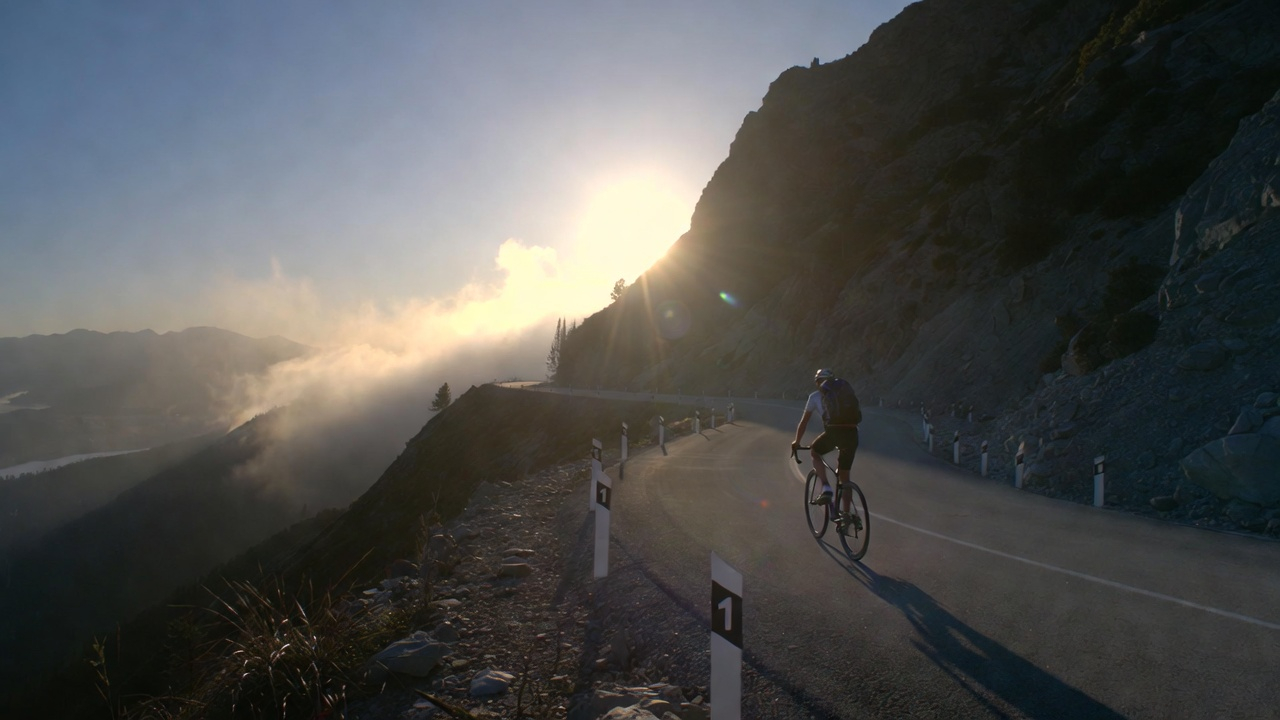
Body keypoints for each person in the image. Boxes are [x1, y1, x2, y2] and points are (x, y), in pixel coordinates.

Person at [791, 368, 860, 527]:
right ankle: (847, 515)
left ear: (817, 382)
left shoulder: (815, 397)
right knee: (844, 477)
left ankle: (826, 487)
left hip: (834, 432)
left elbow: (804, 423)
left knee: (815, 452)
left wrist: (796, 442)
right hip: (852, 432)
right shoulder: (844, 393)